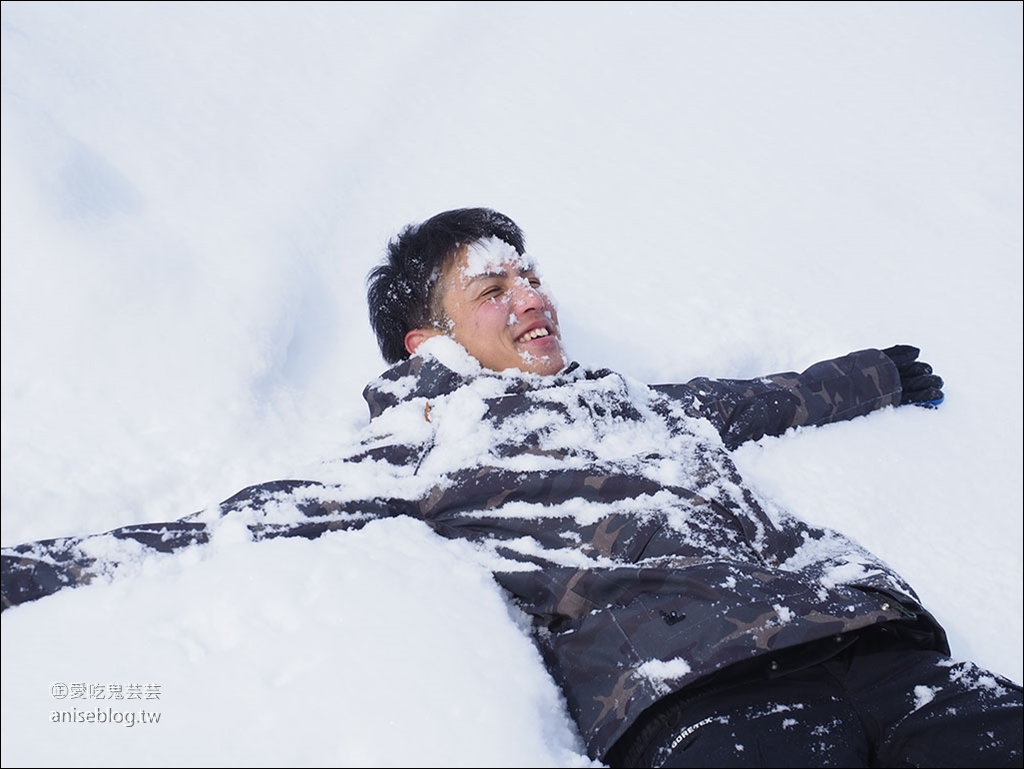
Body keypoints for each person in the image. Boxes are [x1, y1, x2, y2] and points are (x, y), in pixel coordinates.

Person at [2, 207, 1021, 768]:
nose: (531, 294)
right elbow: (223, 531)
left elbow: (763, 398)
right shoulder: (422, 447)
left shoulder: (638, 401)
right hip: (701, 710)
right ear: (429, 339)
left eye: (529, 274)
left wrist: (875, 374)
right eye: (494, 287)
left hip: (877, 646)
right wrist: (26, 571)